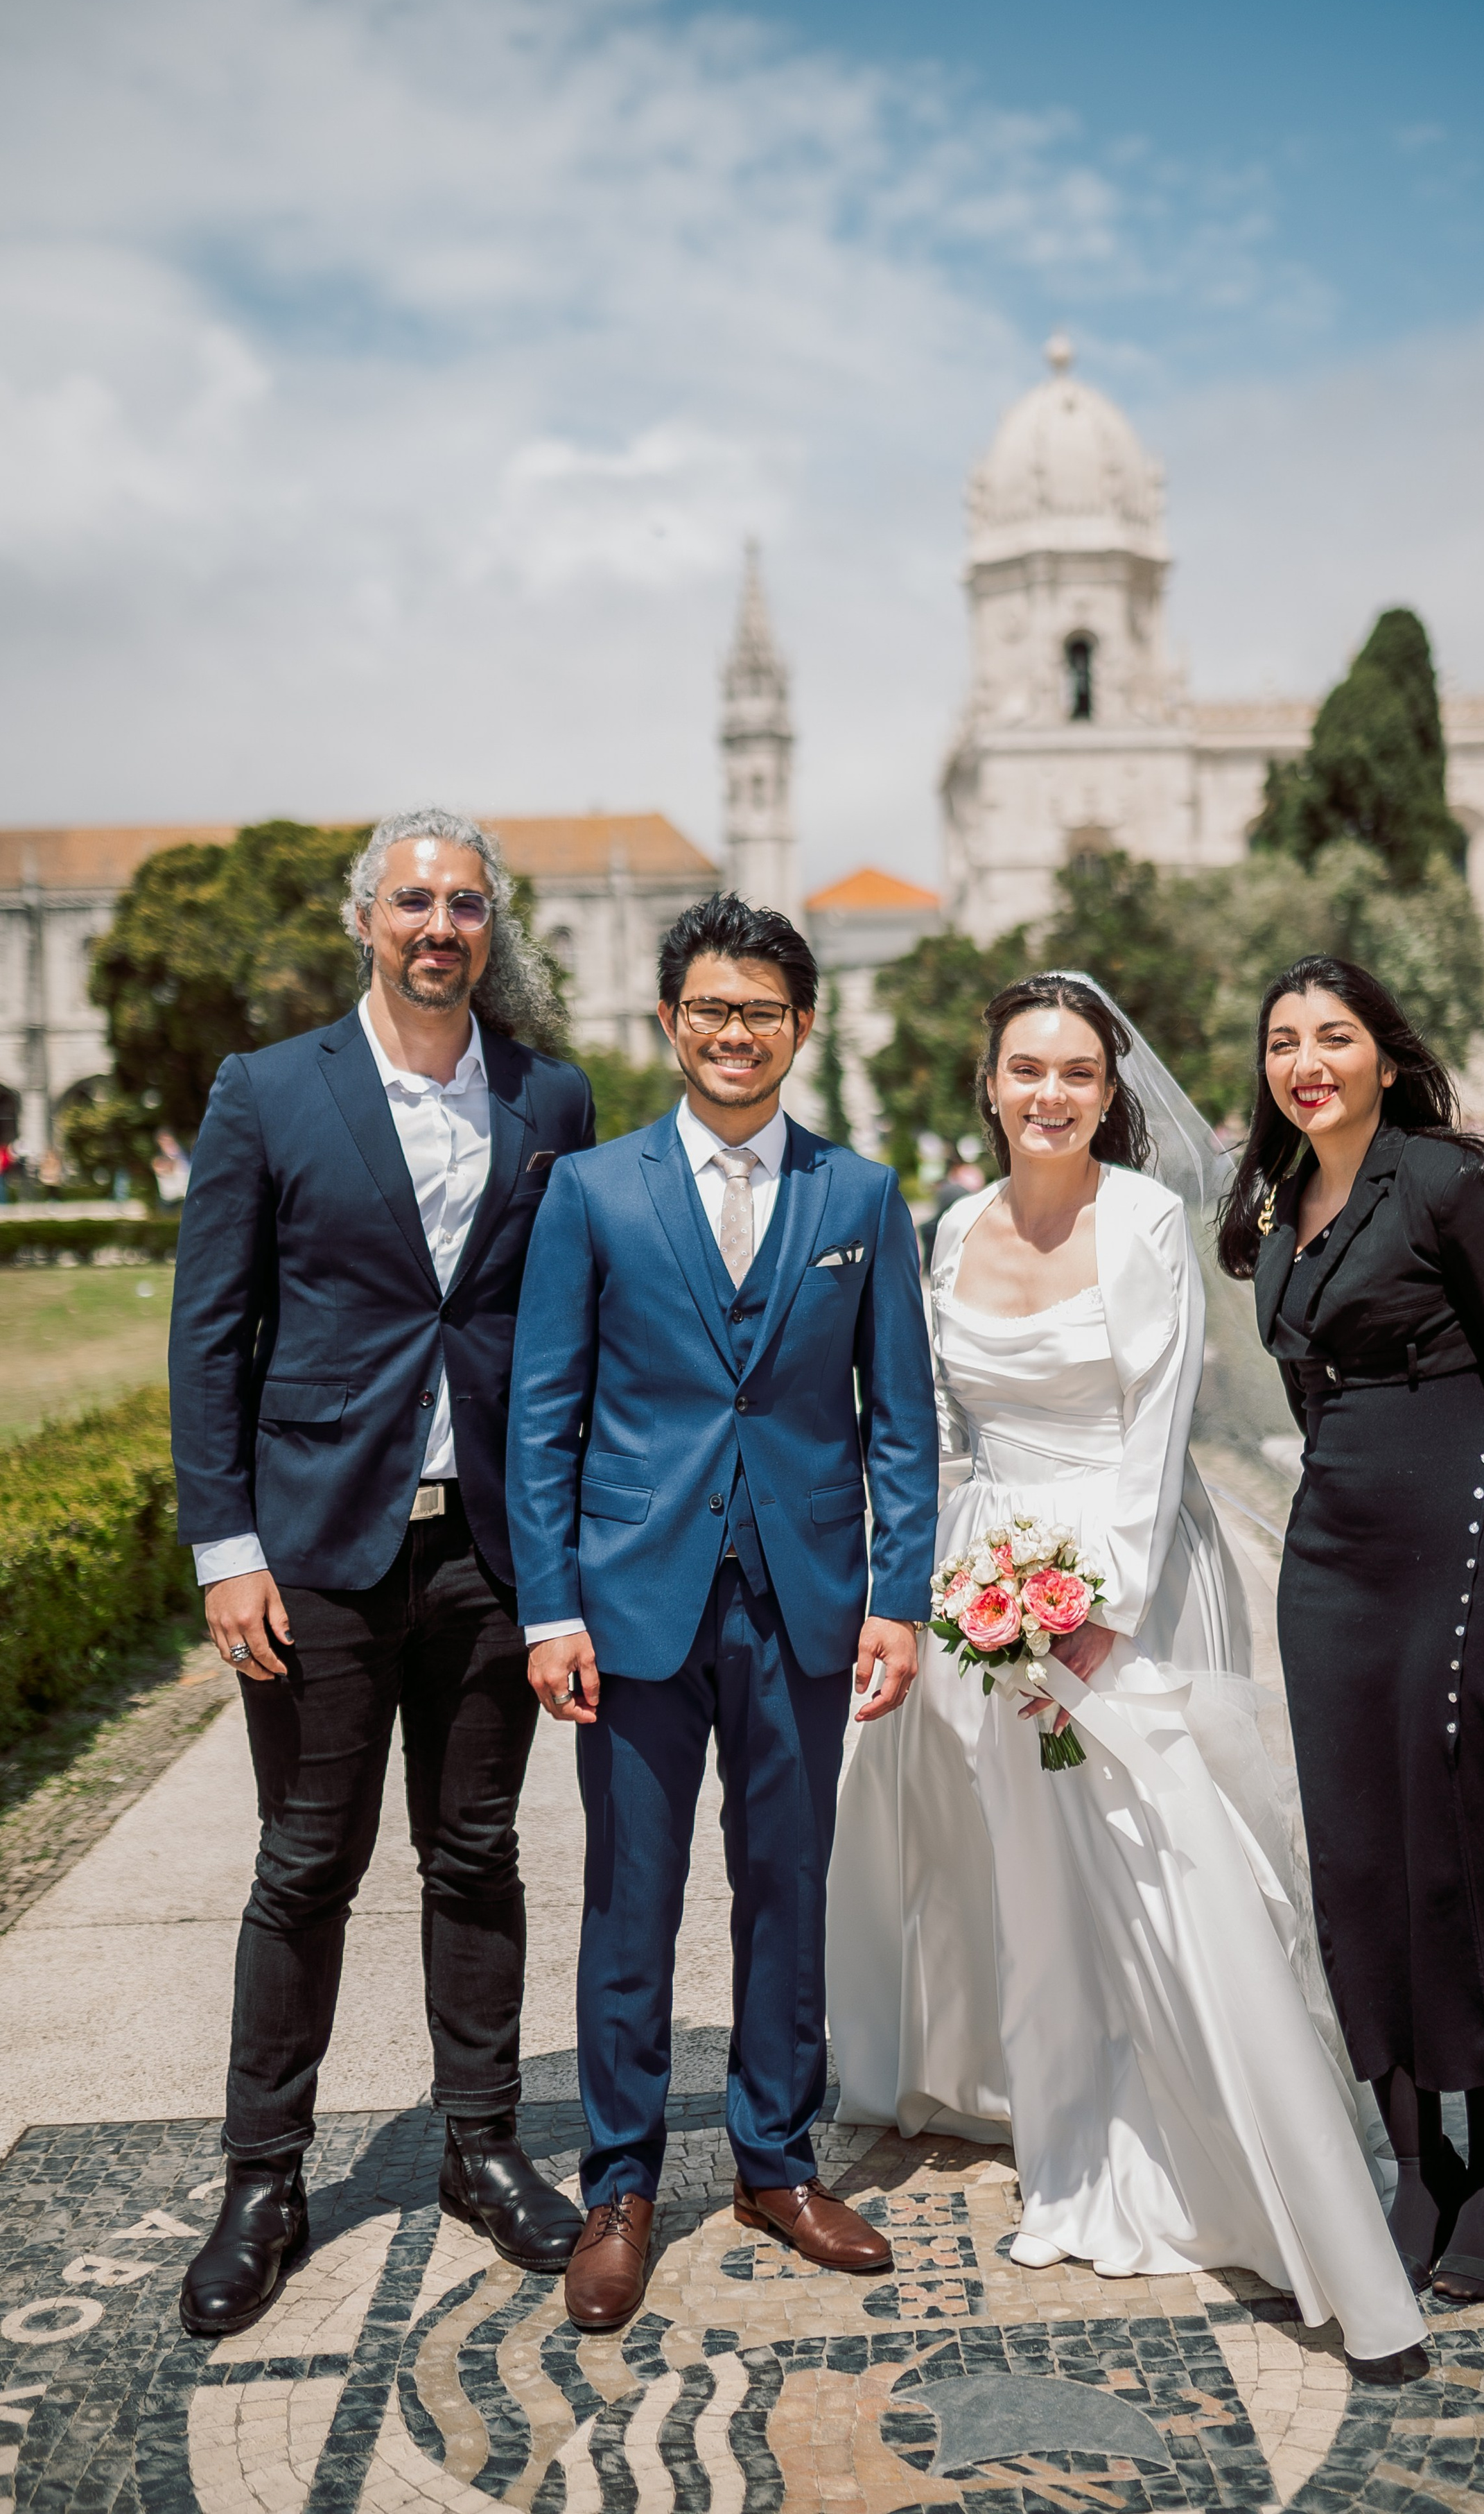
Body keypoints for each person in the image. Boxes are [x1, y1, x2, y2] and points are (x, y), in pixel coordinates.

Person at [830, 973, 1425, 2365]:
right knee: (1020, 1867)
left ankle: (1222, 2161)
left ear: (1110, 1094)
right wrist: (945, 1584)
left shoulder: (1147, 1219)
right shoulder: (956, 1222)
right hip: (985, 1580)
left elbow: (1160, 1427)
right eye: (1025, 1069)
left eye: (1077, 1074)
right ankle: (1057, 2135)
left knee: (1166, 1866)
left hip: (1125, 1569)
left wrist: (1101, 1605)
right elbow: (940, 1420)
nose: (1050, 1094)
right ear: (990, 1084)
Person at [167, 808, 595, 2338]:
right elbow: (210, 1330)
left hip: (486, 1548)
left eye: (465, 905)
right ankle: (263, 2179)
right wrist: (227, 1548)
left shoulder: (550, 1096)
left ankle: (482, 2145)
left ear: (491, 928)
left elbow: (565, 1321)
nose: (439, 926)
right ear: (366, 918)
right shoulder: (270, 1089)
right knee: (306, 1865)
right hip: (316, 1553)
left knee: (475, 1853)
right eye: (413, 900)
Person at [509, 894, 937, 2334]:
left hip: (802, 1601)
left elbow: (900, 1421)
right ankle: (621, 2184)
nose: (734, 1031)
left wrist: (897, 1597)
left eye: (760, 1009)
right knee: (629, 1897)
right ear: (668, 1021)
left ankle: (774, 2160)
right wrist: (549, 1607)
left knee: (787, 1887)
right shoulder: (594, 1190)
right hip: (633, 1599)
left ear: (800, 1025)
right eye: (710, 1007)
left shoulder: (860, 1197)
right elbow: (543, 1416)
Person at [1219, 956, 1484, 2306]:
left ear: (1385, 1054)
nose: (1304, 1061)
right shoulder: (1276, 1206)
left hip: (1468, 1537)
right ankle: (1412, 2159)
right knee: (1359, 1852)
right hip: (1333, 1558)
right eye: (1282, 1040)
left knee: (1464, 1846)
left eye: (1332, 1036)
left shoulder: (1449, 1181)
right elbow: (1306, 1393)